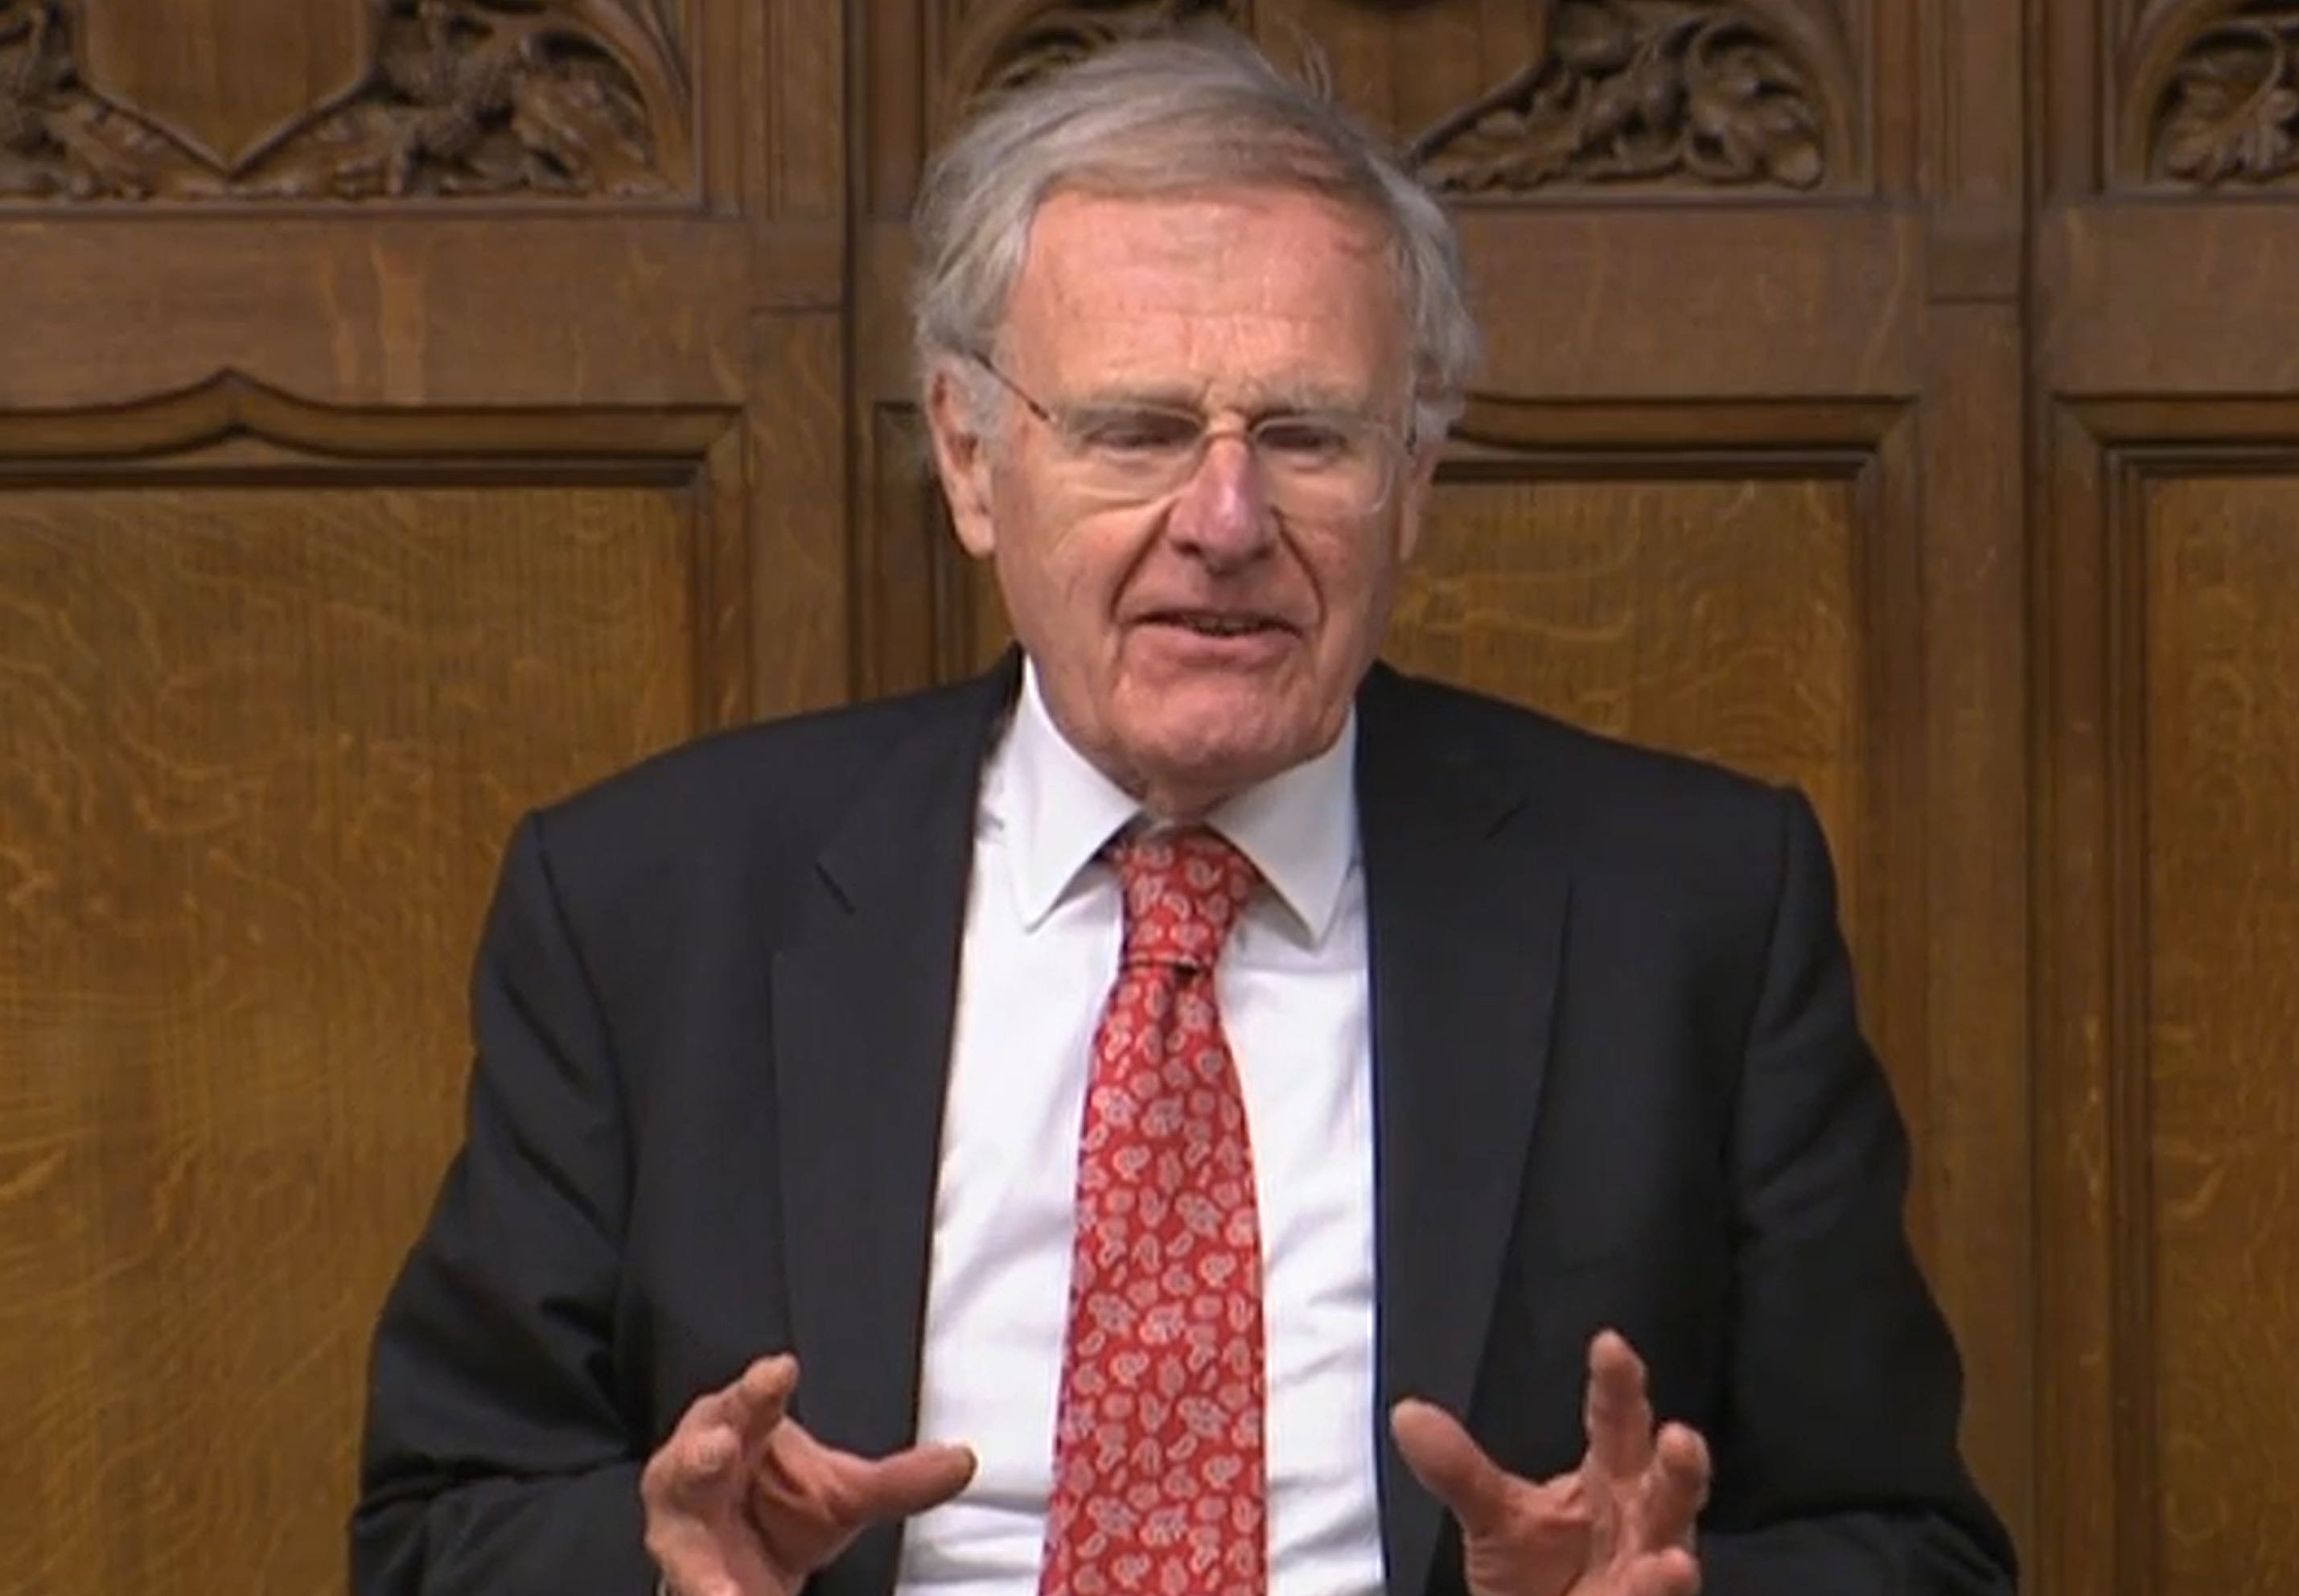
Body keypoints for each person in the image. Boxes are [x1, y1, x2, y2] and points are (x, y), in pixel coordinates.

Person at [352, 27, 2016, 1596]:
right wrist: (663, 1566)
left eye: (1305, 435)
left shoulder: (1693, 911)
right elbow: (438, 1520)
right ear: (972, 457)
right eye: (1139, 430)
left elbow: (1912, 1544)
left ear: (1414, 476)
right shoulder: (652, 902)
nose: (1225, 518)